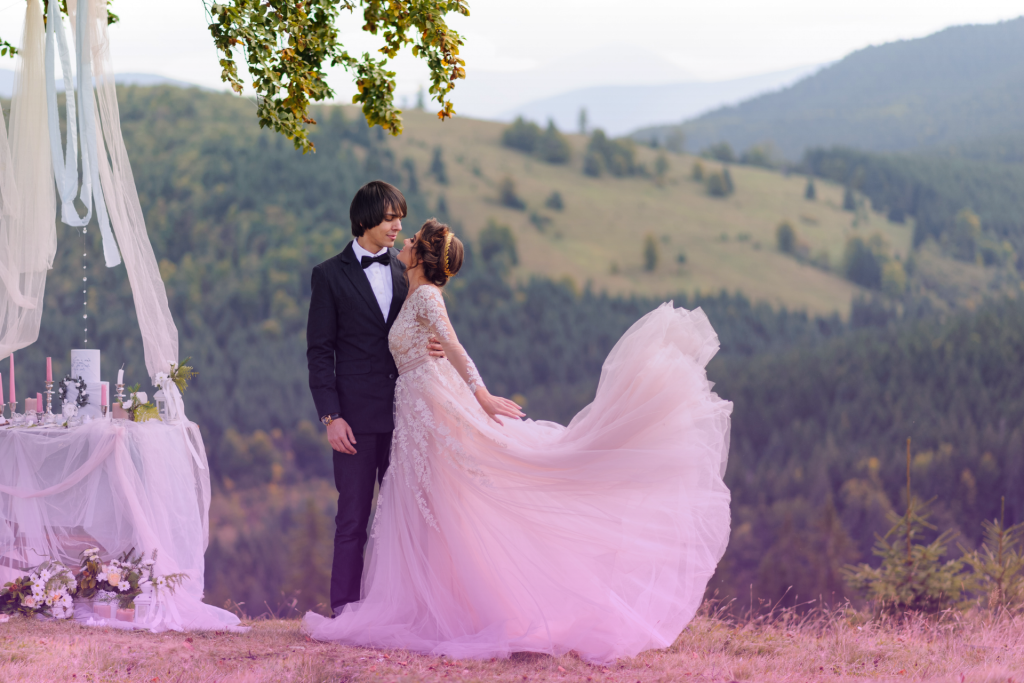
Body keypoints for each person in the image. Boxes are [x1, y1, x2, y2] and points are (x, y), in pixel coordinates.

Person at [303, 219, 733, 663]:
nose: (404, 241)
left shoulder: (428, 295)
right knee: (429, 507)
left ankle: (463, 608)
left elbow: (453, 345)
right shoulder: (408, 289)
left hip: (432, 407)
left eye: (412, 240)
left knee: (451, 500)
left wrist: (482, 395)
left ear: (424, 256)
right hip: (414, 408)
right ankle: (431, 604)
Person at [305, 180, 444, 617]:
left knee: (408, 518)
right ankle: (345, 610)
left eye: (399, 217)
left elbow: (420, 328)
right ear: (364, 220)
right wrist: (331, 416)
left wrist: (433, 348)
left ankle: (405, 607)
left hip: (406, 415)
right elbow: (318, 351)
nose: (397, 225)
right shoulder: (328, 275)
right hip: (355, 421)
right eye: (389, 218)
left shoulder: (408, 271)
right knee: (352, 521)